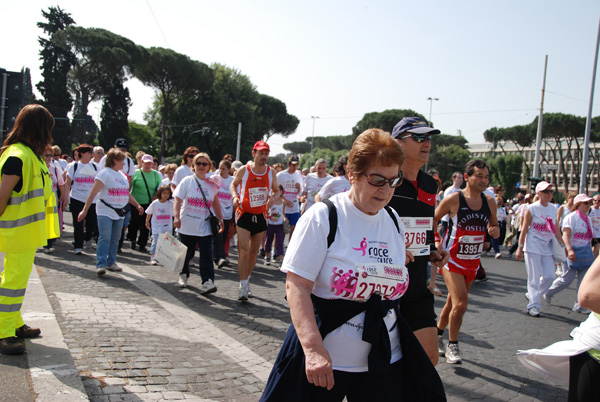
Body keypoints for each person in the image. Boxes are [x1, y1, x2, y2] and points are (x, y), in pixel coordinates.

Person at [261, 129, 445, 401]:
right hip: (326, 364)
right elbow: (297, 286)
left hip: (383, 360)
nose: (385, 190)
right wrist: (313, 350)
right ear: (352, 174)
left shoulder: (393, 219)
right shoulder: (324, 217)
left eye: (393, 181)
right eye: (376, 179)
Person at [387, 116, 450, 366]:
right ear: (398, 143)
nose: (427, 143)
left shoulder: (429, 184)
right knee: (385, 363)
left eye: (429, 138)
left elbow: (424, 225)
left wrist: (432, 250)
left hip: (415, 287)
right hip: (384, 288)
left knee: (428, 359)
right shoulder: (385, 181)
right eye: (419, 137)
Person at [0, 104, 59, 354]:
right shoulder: (18, 156)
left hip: (23, 234)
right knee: (11, 281)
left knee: (17, 281)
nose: (49, 134)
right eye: (47, 128)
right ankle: (3, 331)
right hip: (15, 233)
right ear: (39, 128)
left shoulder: (30, 155)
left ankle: (13, 322)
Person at [435, 159, 499, 364]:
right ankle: (453, 345)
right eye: (479, 176)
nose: (483, 180)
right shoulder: (454, 199)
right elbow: (432, 220)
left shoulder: (490, 202)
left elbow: (494, 225)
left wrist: (493, 231)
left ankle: (437, 335)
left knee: (453, 303)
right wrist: (436, 242)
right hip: (451, 260)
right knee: (461, 303)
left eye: (486, 177)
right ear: (467, 177)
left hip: (472, 261)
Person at [517, 255, 600, 402]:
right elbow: (587, 296)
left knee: (551, 275)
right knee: (555, 277)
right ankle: (535, 301)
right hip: (595, 351)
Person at [77, 148, 144, 276]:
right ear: (114, 160)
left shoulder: (122, 176)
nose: (124, 164)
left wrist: (137, 205)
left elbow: (126, 193)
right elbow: (93, 193)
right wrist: (84, 210)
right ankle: (101, 264)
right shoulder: (104, 174)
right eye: (122, 161)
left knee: (115, 239)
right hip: (105, 210)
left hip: (120, 211)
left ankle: (111, 262)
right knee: (105, 237)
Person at [230, 141, 279, 301]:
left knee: (252, 252)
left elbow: (277, 190)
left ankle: (247, 280)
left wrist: (273, 198)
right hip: (243, 214)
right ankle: (243, 286)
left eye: (266, 154)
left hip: (260, 215)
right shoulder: (245, 170)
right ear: (254, 153)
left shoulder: (270, 172)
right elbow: (233, 184)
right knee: (243, 250)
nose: (264, 156)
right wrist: (235, 196)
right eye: (261, 153)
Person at [173, 153, 224, 293]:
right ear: (193, 165)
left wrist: (220, 219)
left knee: (206, 254)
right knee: (186, 253)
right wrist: (176, 217)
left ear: (209, 167)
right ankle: (183, 274)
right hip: (187, 225)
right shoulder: (187, 181)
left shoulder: (212, 184)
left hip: (204, 225)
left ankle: (207, 281)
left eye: (204, 164)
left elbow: (215, 203)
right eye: (198, 163)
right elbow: (177, 200)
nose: (201, 166)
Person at [516, 181, 561, 317]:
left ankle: (532, 295)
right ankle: (533, 305)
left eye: (551, 191)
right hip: (533, 245)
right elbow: (524, 228)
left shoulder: (554, 208)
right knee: (534, 278)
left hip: (547, 246)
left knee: (550, 275)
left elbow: (556, 229)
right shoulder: (532, 208)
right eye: (546, 192)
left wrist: (564, 245)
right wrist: (520, 247)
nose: (549, 194)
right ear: (539, 194)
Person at [544, 194, 595, 313]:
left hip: (585, 253)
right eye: (585, 203)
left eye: (589, 203)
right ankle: (548, 291)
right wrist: (570, 249)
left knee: (583, 281)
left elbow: (589, 237)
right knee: (567, 279)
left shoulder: (588, 219)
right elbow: (566, 235)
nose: (588, 206)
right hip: (572, 252)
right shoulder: (571, 218)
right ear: (578, 204)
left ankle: (579, 305)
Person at [64, 143, 98, 254]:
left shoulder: (95, 167)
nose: (92, 155)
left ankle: (87, 237)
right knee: (78, 223)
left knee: (92, 223)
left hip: (92, 200)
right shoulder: (73, 166)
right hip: (77, 198)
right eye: (89, 153)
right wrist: (65, 197)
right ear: (82, 153)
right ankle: (78, 246)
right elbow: (68, 183)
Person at [129, 154, 162, 252]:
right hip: (136, 202)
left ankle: (142, 243)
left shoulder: (156, 174)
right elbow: (130, 187)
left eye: (150, 163)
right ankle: (133, 239)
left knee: (146, 224)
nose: (148, 165)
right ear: (141, 162)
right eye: (146, 163)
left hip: (149, 203)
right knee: (134, 222)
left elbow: (159, 187)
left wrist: (156, 195)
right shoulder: (135, 173)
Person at [42, 145, 67, 253]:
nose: (48, 157)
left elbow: (61, 183)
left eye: (50, 155)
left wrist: (62, 195)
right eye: (46, 155)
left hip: (52, 199)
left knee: (50, 221)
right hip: (39, 199)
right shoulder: (38, 167)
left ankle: (48, 244)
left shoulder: (55, 168)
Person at [145, 185, 174, 265]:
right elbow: (149, 213)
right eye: (164, 193)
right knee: (156, 240)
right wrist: (147, 221)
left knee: (166, 242)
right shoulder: (155, 203)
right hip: (157, 226)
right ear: (160, 193)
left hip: (167, 226)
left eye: (168, 193)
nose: (166, 195)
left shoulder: (170, 203)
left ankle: (164, 257)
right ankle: (153, 256)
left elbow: (174, 214)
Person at [213, 159, 234, 268]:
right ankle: (221, 257)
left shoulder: (232, 180)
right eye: (220, 168)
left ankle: (217, 257)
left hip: (228, 212)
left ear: (229, 170)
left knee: (225, 236)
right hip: (216, 212)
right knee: (219, 235)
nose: (221, 171)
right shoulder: (215, 179)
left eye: (224, 169)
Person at [264, 185, 292, 266]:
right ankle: (267, 256)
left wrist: (285, 219)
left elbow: (282, 213)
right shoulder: (270, 201)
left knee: (280, 242)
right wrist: (270, 217)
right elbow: (265, 211)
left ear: (281, 192)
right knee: (269, 240)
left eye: (277, 191)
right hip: (270, 224)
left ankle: (281, 260)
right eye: (274, 191)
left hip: (279, 225)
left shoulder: (282, 202)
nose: (275, 193)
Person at [277, 155, 303, 240]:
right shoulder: (280, 175)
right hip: (282, 207)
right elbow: (275, 191)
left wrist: (299, 191)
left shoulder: (298, 175)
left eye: (297, 165)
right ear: (288, 164)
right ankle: (277, 250)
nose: (295, 167)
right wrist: (285, 200)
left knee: (293, 229)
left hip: (294, 207)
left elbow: (300, 192)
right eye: (293, 165)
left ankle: (289, 249)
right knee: (281, 230)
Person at [556, 191, 577, 275]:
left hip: (570, 230)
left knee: (567, 248)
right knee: (560, 248)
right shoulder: (562, 207)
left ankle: (567, 265)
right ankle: (559, 267)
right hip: (561, 229)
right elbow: (557, 219)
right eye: (572, 199)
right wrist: (556, 230)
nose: (573, 201)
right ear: (568, 198)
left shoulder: (574, 209)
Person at [590, 193, 600, 258]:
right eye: (595, 200)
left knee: (596, 251)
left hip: (598, 234)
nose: (597, 202)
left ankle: (593, 264)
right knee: (589, 250)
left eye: (599, 201)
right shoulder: (589, 209)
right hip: (590, 234)